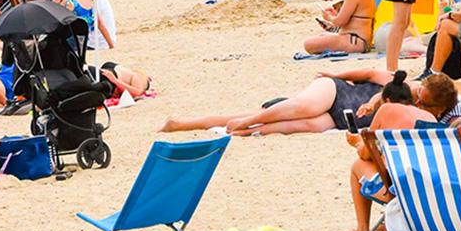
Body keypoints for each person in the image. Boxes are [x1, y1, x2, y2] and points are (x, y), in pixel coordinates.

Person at [159, 70, 394, 135]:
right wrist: (335, 74)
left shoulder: (419, 113)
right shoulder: (399, 82)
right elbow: (370, 72)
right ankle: (250, 122)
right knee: (305, 108)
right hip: (335, 91)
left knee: (309, 126)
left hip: (339, 119)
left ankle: (181, 124)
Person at [347, 71, 436, 231]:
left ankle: (362, 228)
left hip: (401, 194)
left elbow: (366, 153)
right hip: (431, 194)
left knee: (358, 165)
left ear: (386, 100)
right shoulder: (428, 116)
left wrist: (357, 142)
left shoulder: (386, 109)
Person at [304, 0, 375, 54]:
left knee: (308, 44)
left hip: (355, 41)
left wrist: (329, 17)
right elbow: (349, 20)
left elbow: (340, 22)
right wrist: (335, 16)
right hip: (359, 41)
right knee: (322, 36)